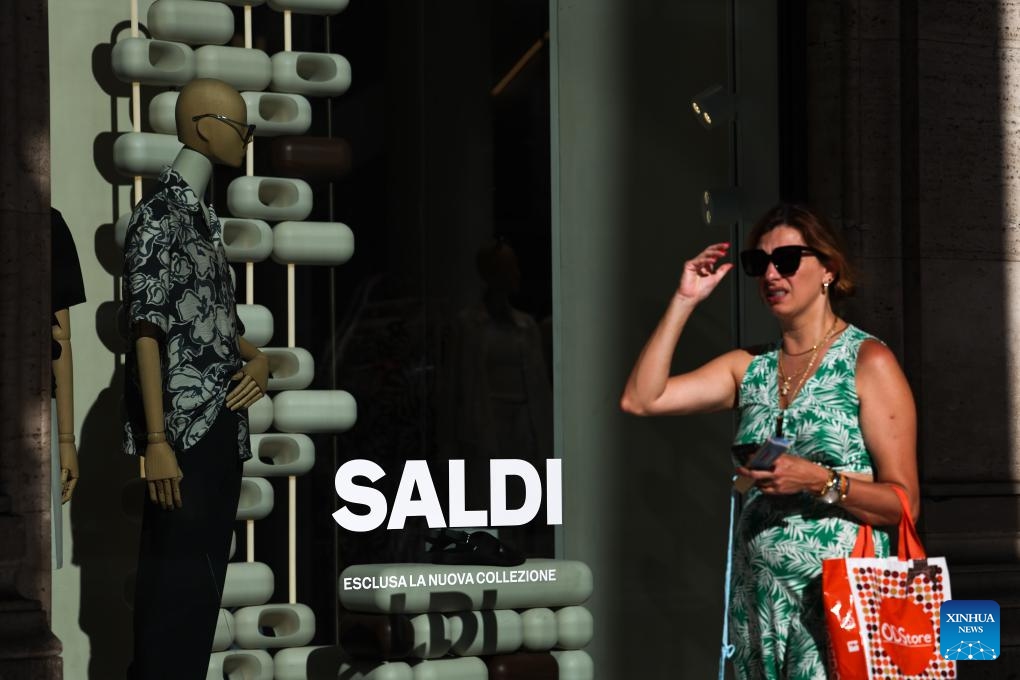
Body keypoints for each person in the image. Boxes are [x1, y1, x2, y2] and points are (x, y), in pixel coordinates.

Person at [620, 203, 919, 679]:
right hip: (759, 600)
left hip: (837, 602)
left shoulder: (867, 361)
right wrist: (684, 300)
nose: (771, 274)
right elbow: (642, 398)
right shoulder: (750, 367)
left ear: (828, 269)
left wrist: (818, 479)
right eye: (759, 263)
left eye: (787, 260)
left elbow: (904, 505)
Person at [122, 78, 268, 679]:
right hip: (183, 433)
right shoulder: (159, 215)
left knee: (199, 598)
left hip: (220, 428)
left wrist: (257, 359)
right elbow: (146, 329)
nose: (247, 139)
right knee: (172, 598)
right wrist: (157, 441)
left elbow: (217, 324)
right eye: (242, 127)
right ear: (205, 127)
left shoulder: (204, 219)